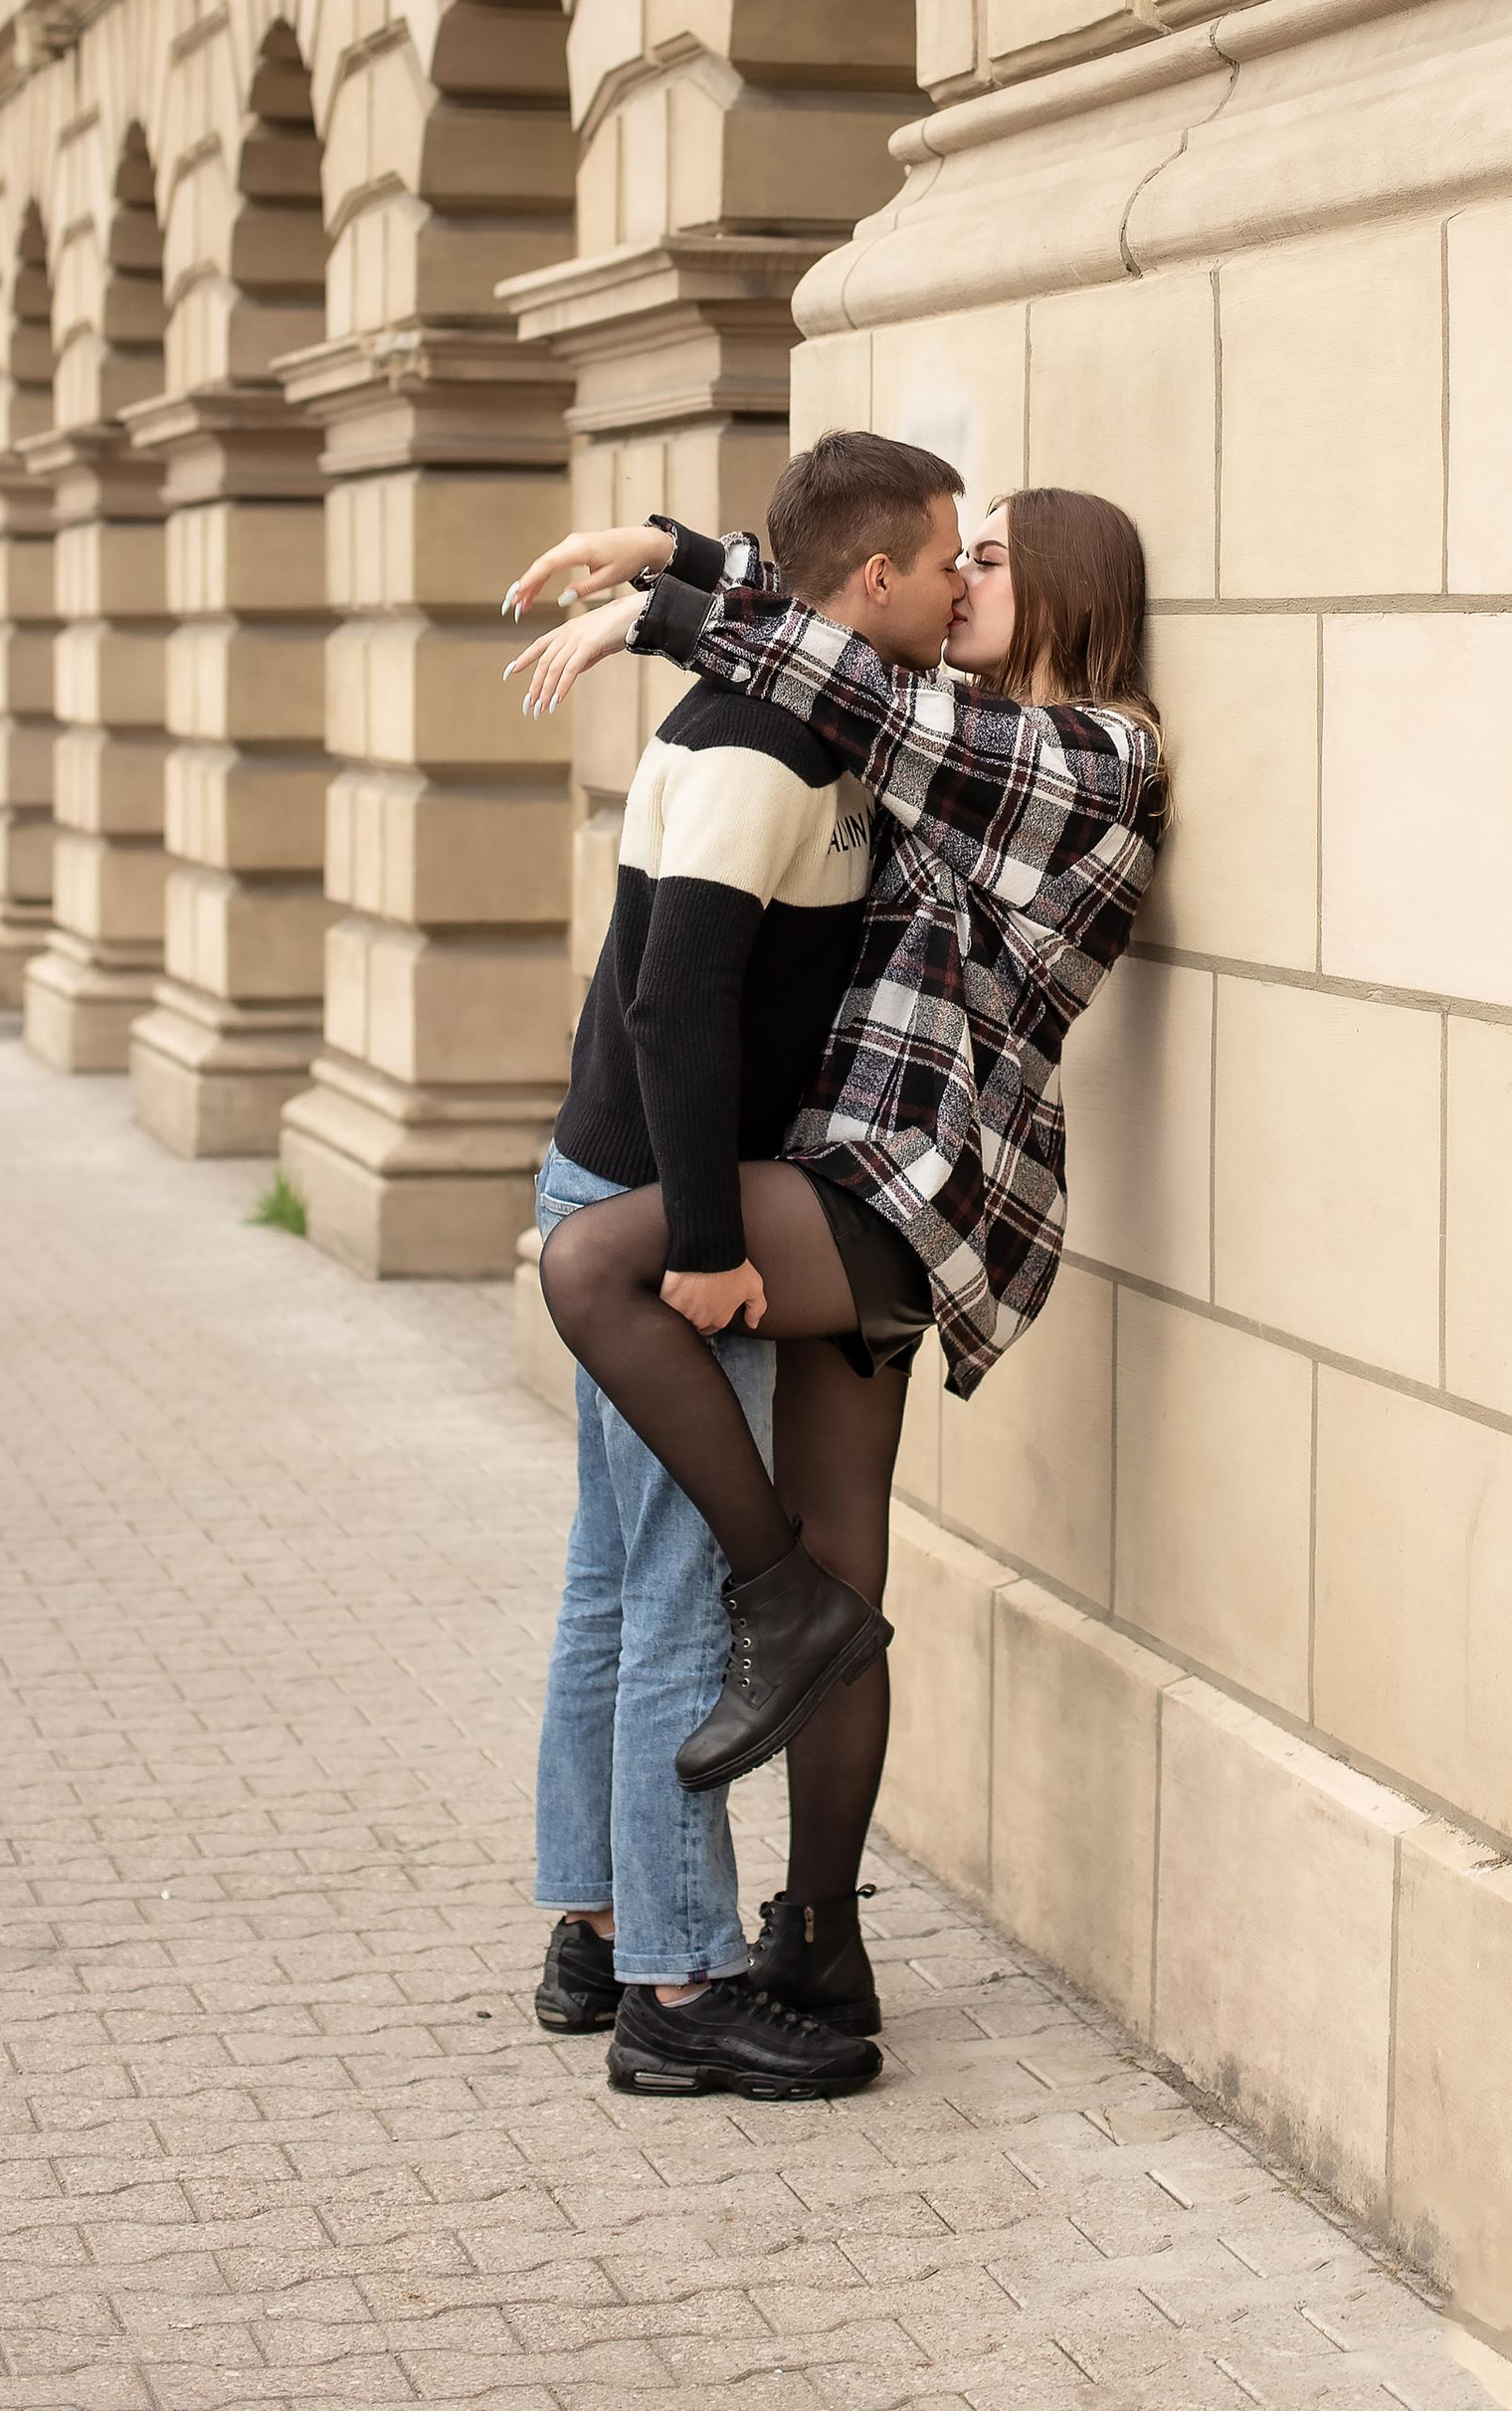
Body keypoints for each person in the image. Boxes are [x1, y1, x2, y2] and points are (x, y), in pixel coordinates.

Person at [504, 460, 1167, 2043]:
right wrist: (685, 564)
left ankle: (770, 1609)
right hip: (836, 1175)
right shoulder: (967, 738)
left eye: (988, 559)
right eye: (953, 559)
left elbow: (854, 670)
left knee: (595, 1272)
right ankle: (814, 1936)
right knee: (847, 1556)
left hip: (916, 1192)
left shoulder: (1091, 757)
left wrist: (664, 595)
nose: (958, 580)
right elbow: (844, 617)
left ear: (1059, 590)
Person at [520, 427, 970, 2103]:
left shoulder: (819, 704)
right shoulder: (756, 751)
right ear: (873, 584)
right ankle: (681, 1985)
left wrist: (654, 560)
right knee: (682, 1597)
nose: (955, 577)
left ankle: (597, 1925)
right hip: (660, 1197)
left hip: (638, 1179)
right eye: (943, 559)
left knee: (607, 1579)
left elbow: (752, 593)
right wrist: (705, 1250)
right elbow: (673, 1001)